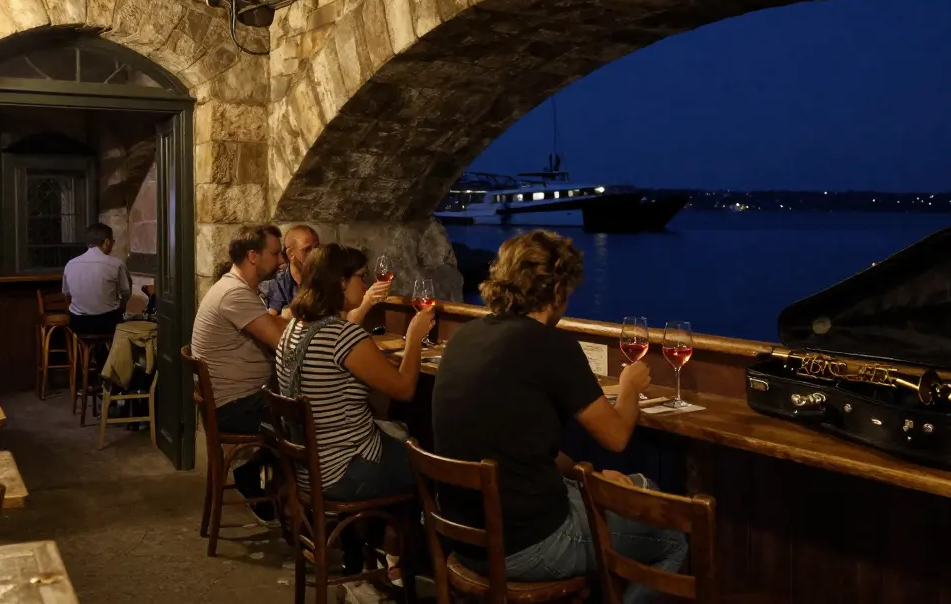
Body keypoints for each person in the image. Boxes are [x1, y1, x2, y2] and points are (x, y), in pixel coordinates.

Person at [432, 230, 688, 604]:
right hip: (526, 545)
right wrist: (630, 384)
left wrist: (592, 476)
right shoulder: (550, 344)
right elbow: (615, 437)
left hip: (461, 535)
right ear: (556, 293)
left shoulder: (466, 336)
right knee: (674, 538)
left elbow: (522, 447)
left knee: (637, 485)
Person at [275, 243, 434, 576]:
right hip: (344, 471)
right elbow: (405, 389)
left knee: (399, 435)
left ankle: (375, 550)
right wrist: (415, 337)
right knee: (430, 465)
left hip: (310, 468)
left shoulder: (293, 329)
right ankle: (409, 561)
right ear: (340, 282)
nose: (364, 285)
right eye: (360, 277)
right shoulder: (341, 335)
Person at [191, 224, 288, 522]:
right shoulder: (234, 294)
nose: (282, 260)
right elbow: (280, 341)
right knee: (311, 421)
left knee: (303, 414)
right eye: (275, 253)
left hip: (234, 400)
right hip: (235, 406)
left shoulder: (236, 288)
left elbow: (275, 331)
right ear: (253, 256)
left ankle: (258, 480)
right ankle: (301, 513)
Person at [261, 225, 391, 325]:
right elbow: (271, 322)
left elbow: (341, 318)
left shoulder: (325, 279)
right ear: (290, 254)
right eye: (307, 250)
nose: (314, 254)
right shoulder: (277, 283)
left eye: (316, 248)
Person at [63, 223, 131, 337]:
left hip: (78, 324)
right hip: (107, 323)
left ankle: (86, 353)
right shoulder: (116, 264)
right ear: (107, 242)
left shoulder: (70, 264)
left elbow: (66, 294)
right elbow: (126, 293)